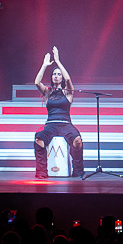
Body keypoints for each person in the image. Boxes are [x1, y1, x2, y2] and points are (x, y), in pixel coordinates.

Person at [32, 46, 83, 179]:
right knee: (38, 138)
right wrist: (44, 65)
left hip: (66, 124)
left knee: (77, 140)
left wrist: (58, 61)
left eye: (59, 74)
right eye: (54, 74)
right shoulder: (47, 92)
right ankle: (42, 172)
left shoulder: (68, 92)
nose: (56, 76)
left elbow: (68, 80)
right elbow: (37, 82)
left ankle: (78, 170)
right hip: (51, 124)